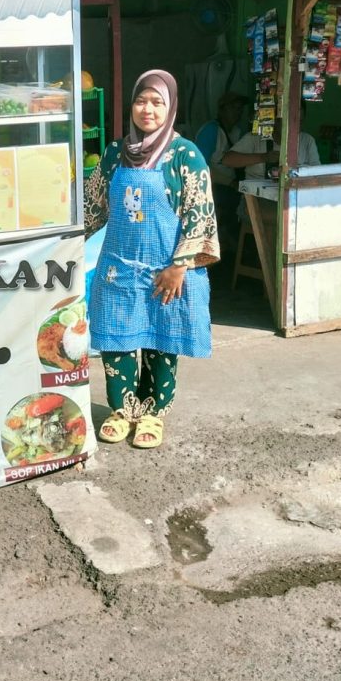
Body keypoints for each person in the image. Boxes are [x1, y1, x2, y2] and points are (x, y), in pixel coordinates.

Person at [85, 70, 218, 450]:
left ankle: (152, 413)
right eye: (141, 101)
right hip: (118, 268)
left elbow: (200, 212)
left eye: (157, 102)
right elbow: (93, 205)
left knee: (161, 341)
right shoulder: (115, 153)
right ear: (131, 106)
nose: (148, 109)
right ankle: (121, 410)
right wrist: (60, 239)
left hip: (166, 271)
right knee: (116, 340)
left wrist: (180, 266)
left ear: (171, 106)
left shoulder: (184, 155)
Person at [194, 92, 247, 256]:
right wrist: (230, 183)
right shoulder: (211, 131)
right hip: (213, 187)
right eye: (233, 108)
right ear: (222, 110)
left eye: (239, 109)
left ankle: (233, 246)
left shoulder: (237, 131)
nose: (237, 112)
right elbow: (200, 169)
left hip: (230, 184)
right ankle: (231, 246)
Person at [222, 115, 321, 179]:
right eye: (290, 121)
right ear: (276, 121)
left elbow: (317, 172)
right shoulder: (255, 137)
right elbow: (228, 160)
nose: (295, 126)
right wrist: (263, 157)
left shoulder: (307, 140)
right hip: (256, 197)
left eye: (299, 121)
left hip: (291, 197)